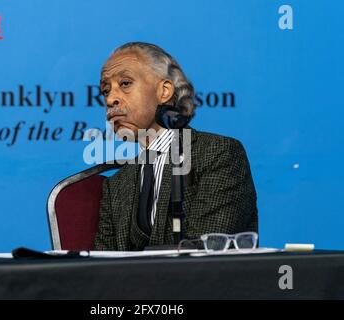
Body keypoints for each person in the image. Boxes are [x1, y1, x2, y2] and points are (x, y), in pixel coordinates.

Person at [94, 42, 258, 251]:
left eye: (125, 84)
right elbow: (102, 265)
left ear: (164, 91)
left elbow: (205, 252)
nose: (110, 99)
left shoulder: (218, 155)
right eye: (105, 91)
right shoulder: (117, 184)